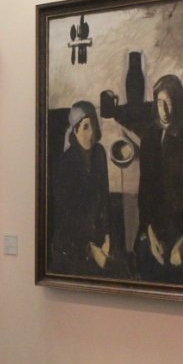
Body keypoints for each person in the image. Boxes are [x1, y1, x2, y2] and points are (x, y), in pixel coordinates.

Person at [134, 74, 183, 285]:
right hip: (153, 227)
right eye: (159, 103)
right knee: (146, 264)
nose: (163, 110)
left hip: (182, 229)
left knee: (180, 270)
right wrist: (150, 234)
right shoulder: (149, 137)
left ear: (177, 103)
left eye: (168, 103)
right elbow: (145, 190)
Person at [50, 100, 114, 275]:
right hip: (72, 243)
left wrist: (107, 235)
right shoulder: (65, 163)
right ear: (75, 131)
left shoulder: (99, 153)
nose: (91, 133)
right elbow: (66, 214)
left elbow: (105, 198)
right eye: (85, 127)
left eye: (93, 125)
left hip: (97, 237)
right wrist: (90, 246)